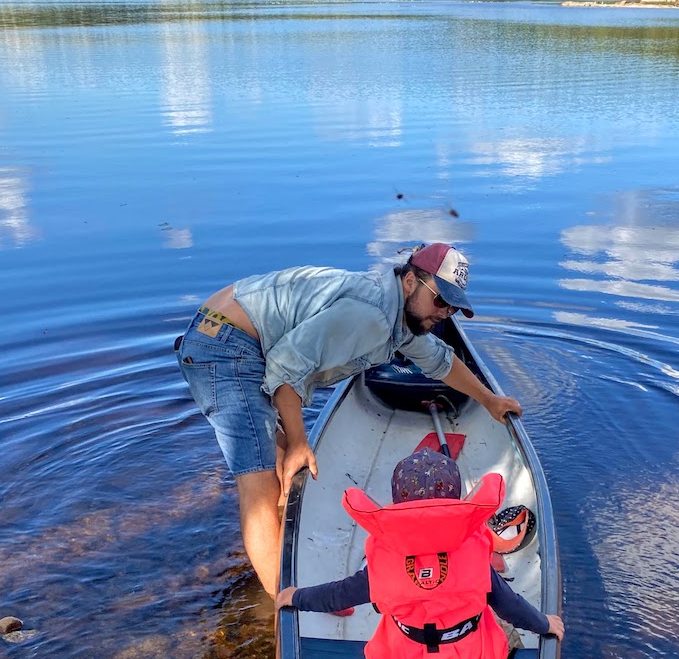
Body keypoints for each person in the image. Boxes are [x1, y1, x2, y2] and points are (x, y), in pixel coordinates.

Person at [175, 243, 522, 599]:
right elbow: (284, 368)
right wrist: (298, 440)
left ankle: (282, 566)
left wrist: (489, 400)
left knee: (281, 467)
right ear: (410, 282)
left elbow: (440, 361)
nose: (444, 313)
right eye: (439, 300)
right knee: (260, 484)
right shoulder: (369, 314)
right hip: (226, 343)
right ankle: (288, 608)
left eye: (453, 306)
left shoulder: (400, 320)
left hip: (237, 333)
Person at [276, 450, 565, 659]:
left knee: (396, 621)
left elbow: (336, 596)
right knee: (506, 631)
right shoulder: (475, 558)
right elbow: (512, 607)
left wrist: (296, 597)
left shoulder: (380, 565)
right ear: (456, 503)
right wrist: (544, 624)